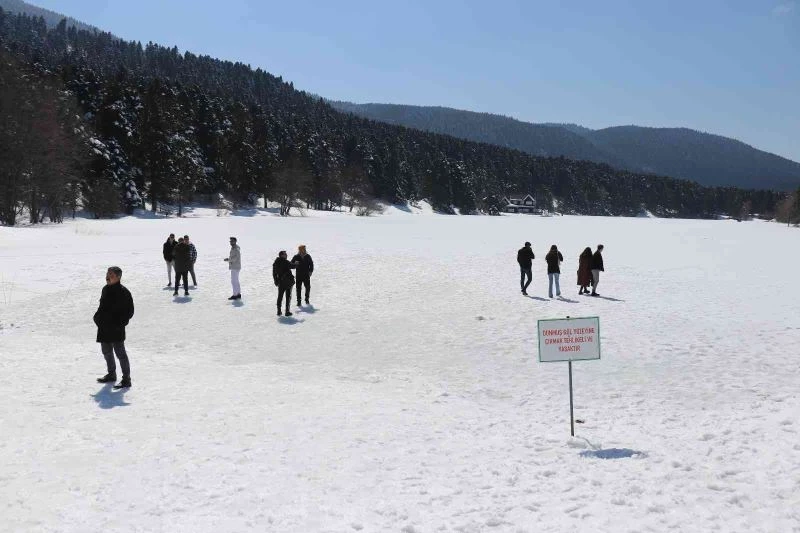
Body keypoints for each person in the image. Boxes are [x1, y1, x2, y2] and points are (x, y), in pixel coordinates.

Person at [94, 266, 134, 389]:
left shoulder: (124, 292)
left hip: (116, 328)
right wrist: (97, 318)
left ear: (118, 277)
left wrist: (120, 323)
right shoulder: (105, 289)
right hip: (104, 327)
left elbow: (130, 311)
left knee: (120, 353)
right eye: (107, 274)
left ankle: (126, 379)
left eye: (111, 275)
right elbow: (101, 307)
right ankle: (111, 374)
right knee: (106, 352)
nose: (108, 276)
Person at [272, 250, 297, 316]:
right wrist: (296, 263)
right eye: (285, 254)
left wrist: (276, 281)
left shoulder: (275, 262)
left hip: (280, 282)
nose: (286, 255)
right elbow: (292, 266)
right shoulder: (285, 261)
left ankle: (279, 311)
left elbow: (274, 273)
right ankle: (287, 311)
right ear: (282, 255)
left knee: (280, 297)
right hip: (288, 282)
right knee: (288, 297)